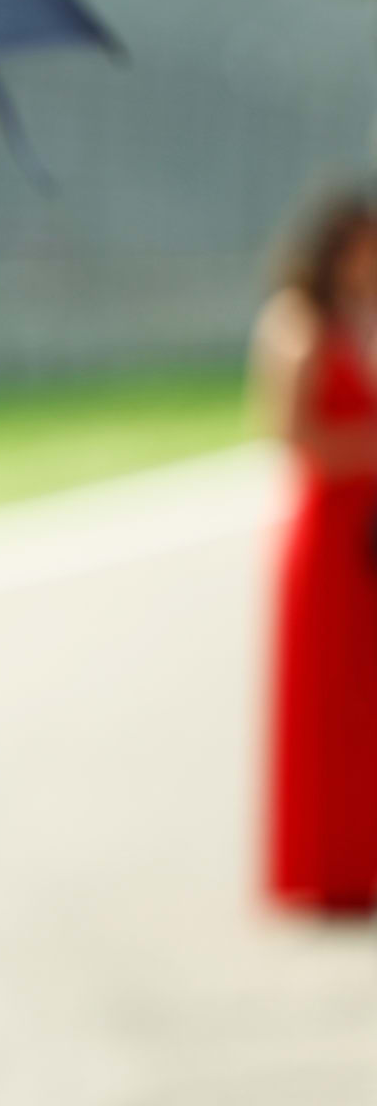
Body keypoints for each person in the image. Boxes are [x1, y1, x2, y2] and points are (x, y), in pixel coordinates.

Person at [252, 184, 377, 914]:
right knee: (326, 704)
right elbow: (289, 433)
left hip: (367, 532)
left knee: (364, 702)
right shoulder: (297, 323)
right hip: (326, 531)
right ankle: (323, 865)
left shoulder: (362, 319)